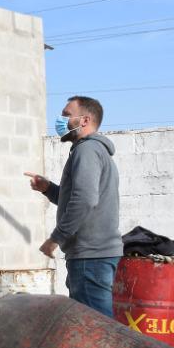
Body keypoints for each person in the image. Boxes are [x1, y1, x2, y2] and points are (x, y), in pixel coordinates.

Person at [26, 95, 122, 317]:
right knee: (97, 328)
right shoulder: (93, 151)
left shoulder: (86, 151)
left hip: (90, 256)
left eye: (67, 115)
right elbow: (80, 198)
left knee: (95, 331)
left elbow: (84, 200)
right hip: (93, 255)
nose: (61, 120)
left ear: (85, 120)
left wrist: (56, 238)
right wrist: (48, 188)